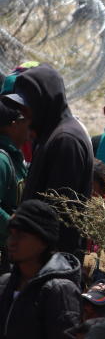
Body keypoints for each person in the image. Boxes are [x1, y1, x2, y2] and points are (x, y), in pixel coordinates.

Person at [2, 64, 93, 256]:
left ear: (44, 101)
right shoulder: (52, 134)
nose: (24, 114)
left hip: (51, 264)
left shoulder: (65, 140)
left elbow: (59, 216)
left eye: (27, 107)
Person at [0, 200, 81, 339]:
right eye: (11, 234)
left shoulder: (59, 290)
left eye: (21, 235)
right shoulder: (5, 283)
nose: (12, 241)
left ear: (43, 241)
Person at [0, 101, 28, 249]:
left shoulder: (14, 155)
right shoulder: (2, 160)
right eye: (24, 119)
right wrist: (15, 226)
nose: (29, 123)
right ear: (14, 124)